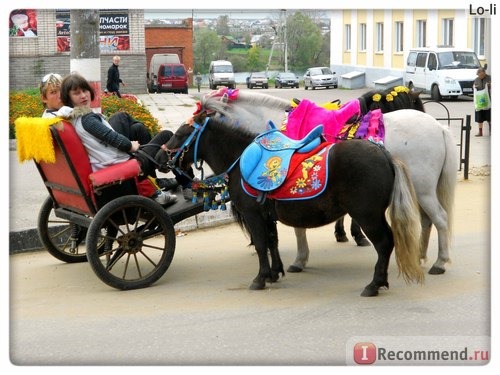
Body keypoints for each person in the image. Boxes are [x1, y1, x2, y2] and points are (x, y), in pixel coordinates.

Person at [59, 73, 177, 206]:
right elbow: (113, 138)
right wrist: (131, 146)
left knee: (136, 127)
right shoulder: (87, 119)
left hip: (105, 160)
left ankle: (153, 184)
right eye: (76, 93)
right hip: (117, 162)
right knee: (166, 135)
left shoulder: (73, 118)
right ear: (68, 97)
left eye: (85, 90)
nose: (83, 95)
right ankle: (185, 183)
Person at [473, 67, 491, 136]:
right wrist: (474, 87)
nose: (480, 77)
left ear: (484, 73)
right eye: (479, 75)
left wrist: (490, 85)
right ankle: (480, 132)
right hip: (479, 101)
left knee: (489, 117)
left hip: (489, 100)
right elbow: (473, 86)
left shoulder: (489, 78)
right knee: (479, 118)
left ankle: (491, 131)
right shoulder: (476, 80)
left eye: (481, 75)